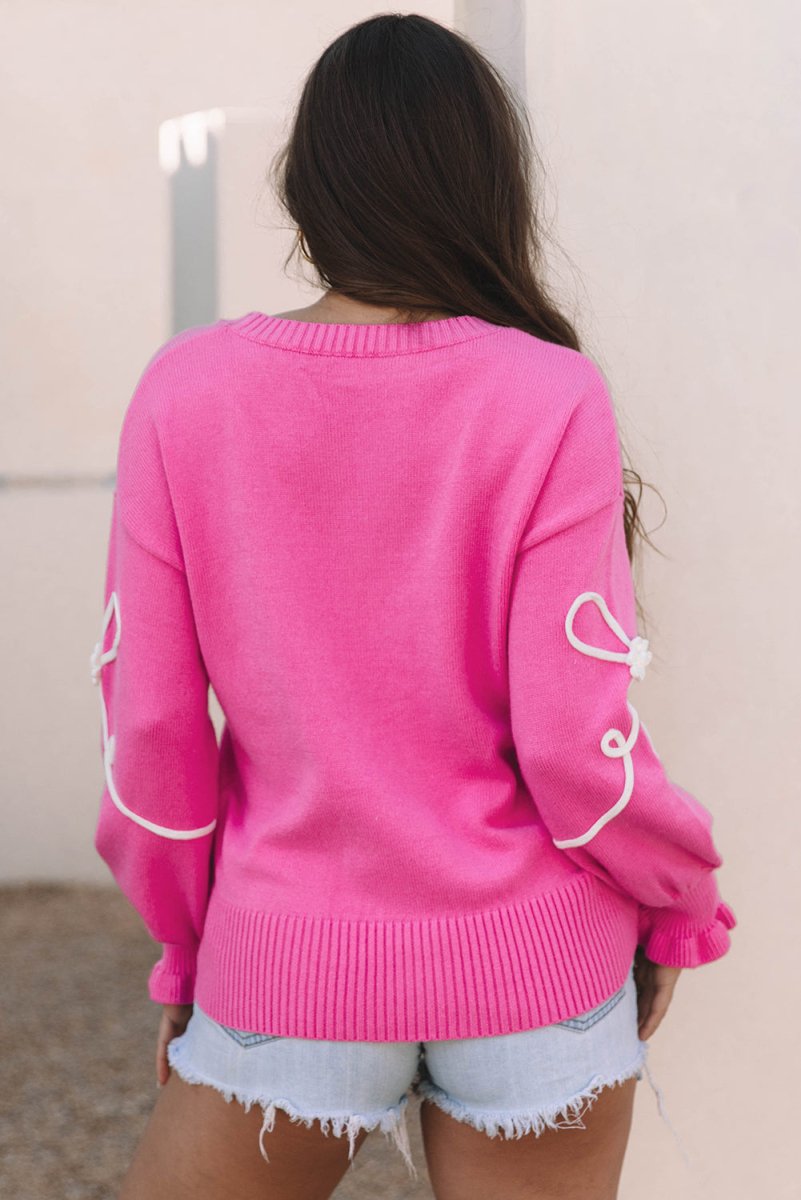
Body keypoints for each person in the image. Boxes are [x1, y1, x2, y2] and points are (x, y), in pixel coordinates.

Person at [89, 13, 736, 1200]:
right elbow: (573, 746)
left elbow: (154, 738)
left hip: (286, 960)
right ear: (487, 184)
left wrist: (187, 954)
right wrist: (681, 895)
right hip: (534, 970)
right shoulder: (550, 396)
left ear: (306, 188)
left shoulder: (186, 395)